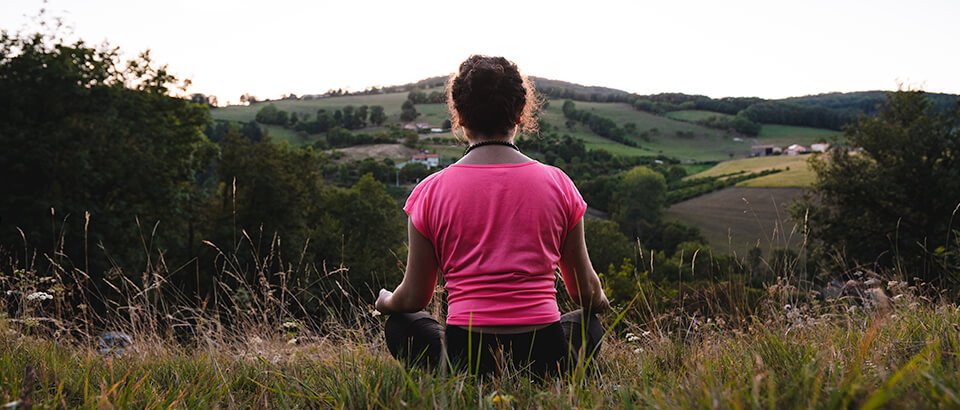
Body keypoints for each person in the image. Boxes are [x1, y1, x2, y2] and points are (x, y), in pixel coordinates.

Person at [375, 55, 610, 377]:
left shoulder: (430, 191)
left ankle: (464, 376)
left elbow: (415, 297)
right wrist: (599, 300)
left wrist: (386, 302)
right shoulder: (559, 183)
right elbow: (584, 292)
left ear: (458, 115)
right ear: (519, 113)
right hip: (547, 356)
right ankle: (541, 376)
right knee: (588, 323)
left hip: (466, 357)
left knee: (401, 322)